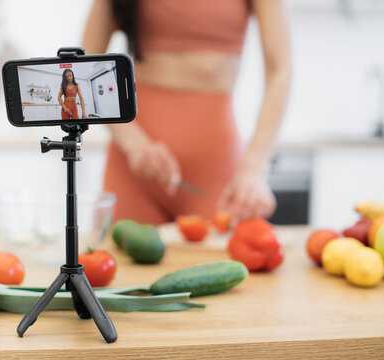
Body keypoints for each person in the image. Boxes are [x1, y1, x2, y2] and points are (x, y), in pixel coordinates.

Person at [83, 0, 291, 225]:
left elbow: (280, 71)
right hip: (133, 168)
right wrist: (134, 144)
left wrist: (255, 167)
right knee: (113, 259)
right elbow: (85, 68)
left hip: (215, 171)